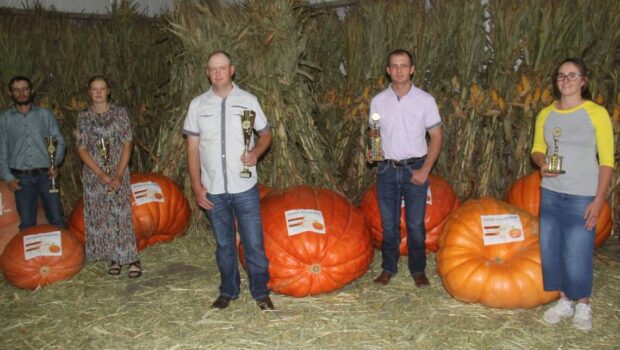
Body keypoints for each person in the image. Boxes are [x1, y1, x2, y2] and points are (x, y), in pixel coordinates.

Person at [183, 51, 274, 310]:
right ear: (207, 72)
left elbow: (266, 134)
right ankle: (228, 291)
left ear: (232, 70)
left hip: (244, 186)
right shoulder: (198, 105)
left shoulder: (249, 100)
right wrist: (197, 186)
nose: (218, 73)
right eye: (212, 69)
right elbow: (192, 149)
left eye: (222, 68)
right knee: (224, 245)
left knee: (253, 242)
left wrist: (256, 153)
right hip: (213, 189)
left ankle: (260, 292)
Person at [532, 58, 615, 331]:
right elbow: (537, 148)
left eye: (572, 75)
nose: (566, 80)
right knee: (552, 247)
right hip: (552, 192)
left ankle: (583, 304)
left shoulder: (596, 113)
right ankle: (564, 300)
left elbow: (606, 160)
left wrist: (599, 198)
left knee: (577, 251)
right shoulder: (545, 114)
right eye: (561, 76)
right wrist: (543, 163)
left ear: (583, 80)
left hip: (583, 194)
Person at [368, 49, 442, 288]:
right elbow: (374, 130)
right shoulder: (378, 101)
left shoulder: (425, 100)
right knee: (388, 224)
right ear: (388, 70)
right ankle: (388, 268)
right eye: (394, 66)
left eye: (404, 65)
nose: (399, 70)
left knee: (415, 225)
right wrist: (373, 151)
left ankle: (418, 269)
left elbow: (437, 137)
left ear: (412, 69)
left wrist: (426, 170)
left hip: (415, 167)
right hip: (386, 170)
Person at [76, 76, 141, 278]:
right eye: (94, 89)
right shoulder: (83, 117)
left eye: (102, 89)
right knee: (103, 216)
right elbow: (82, 148)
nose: (98, 93)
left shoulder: (120, 114)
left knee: (121, 214)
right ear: (89, 92)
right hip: (95, 173)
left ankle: (131, 258)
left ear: (108, 91)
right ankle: (114, 257)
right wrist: (101, 174)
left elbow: (127, 143)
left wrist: (119, 173)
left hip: (118, 168)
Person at [0, 76, 66, 230]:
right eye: (16, 90)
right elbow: (2, 150)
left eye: (25, 89)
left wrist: (54, 164)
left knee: (57, 219)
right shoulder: (4, 119)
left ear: (32, 91)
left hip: (47, 177)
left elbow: (60, 142)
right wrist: (8, 177)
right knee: (27, 224)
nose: (21, 93)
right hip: (21, 180)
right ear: (10, 94)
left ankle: (64, 254)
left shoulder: (45, 115)